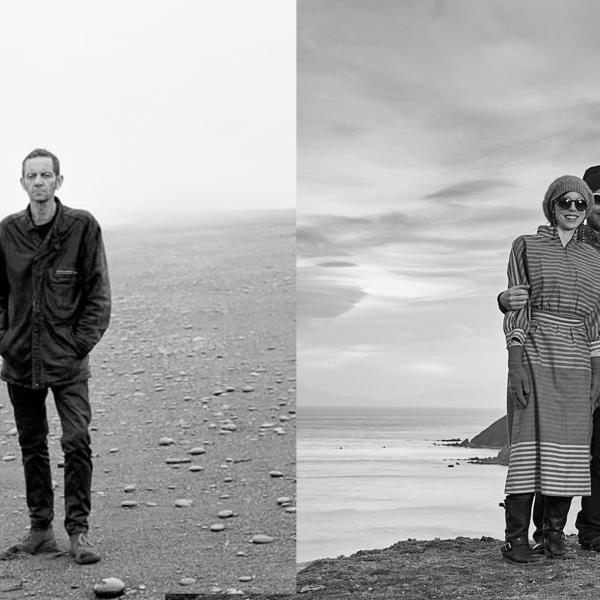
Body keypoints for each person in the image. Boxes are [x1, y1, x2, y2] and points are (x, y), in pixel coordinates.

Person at [0, 149, 111, 564]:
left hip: (67, 361)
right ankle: (40, 529)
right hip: (20, 359)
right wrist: (4, 338)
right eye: (32, 176)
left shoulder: (82, 227)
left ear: (59, 181)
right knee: (32, 445)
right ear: (23, 182)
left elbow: (98, 294)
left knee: (76, 441)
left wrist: (79, 343)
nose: (40, 182)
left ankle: (78, 532)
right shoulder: (8, 231)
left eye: (47, 175)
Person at [499, 166, 600, 552]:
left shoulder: (594, 260)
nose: (572, 208)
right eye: (565, 202)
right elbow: (516, 306)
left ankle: (552, 533)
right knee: (527, 444)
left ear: (586, 209)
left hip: (578, 357)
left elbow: (594, 323)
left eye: (580, 202)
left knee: (573, 446)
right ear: (551, 207)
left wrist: (596, 374)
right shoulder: (525, 244)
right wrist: (514, 363)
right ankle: (514, 540)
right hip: (537, 348)